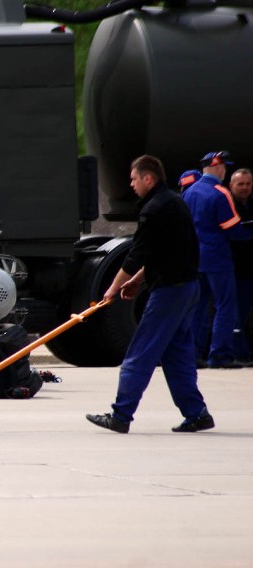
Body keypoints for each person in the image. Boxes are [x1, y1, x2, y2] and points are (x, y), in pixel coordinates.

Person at [87, 155, 213, 434]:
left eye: (134, 179)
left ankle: (120, 415)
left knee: (141, 351)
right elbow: (163, 252)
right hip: (187, 288)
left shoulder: (154, 209)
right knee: (176, 353)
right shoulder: (172, 202)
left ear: (148, 178)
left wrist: (112, 288)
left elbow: (136, 255)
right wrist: (135, 281)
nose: (131, 184)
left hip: (170, 292)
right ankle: (197, 413)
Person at [182, 151, 253, 368]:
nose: (225, 171)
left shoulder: (189, 192)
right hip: (218, 258)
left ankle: (192, 354)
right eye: (224, 167)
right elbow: (232, 230)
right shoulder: (220, 193)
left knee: (198, 306)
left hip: (196, 258)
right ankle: (220, 354)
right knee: (225, 305)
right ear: (217, 168)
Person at [229, 168, 253, 363]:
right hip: (236, 269)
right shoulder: (228, 206)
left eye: (248, 184)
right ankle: (237, 353)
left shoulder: (250, 205)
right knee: (237, 314)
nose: (245, 188)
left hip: (249, 268)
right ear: (231, 185)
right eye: (240, 184)